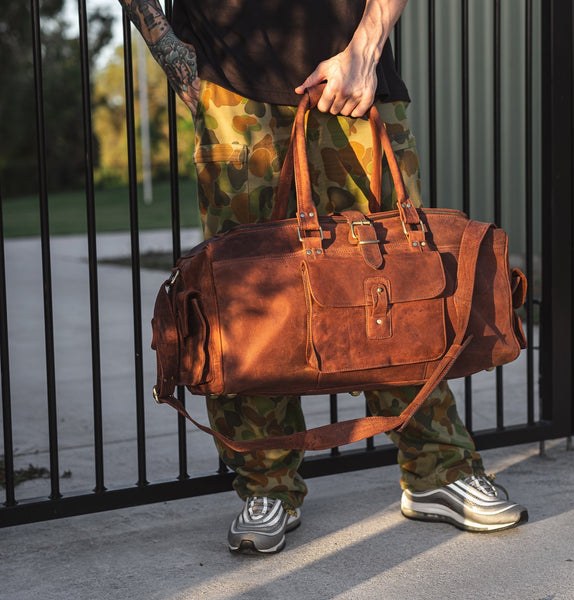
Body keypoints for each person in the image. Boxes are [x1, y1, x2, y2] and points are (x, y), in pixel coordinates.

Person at [119, 0, 528, 554]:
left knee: (399, 282)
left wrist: (367, 47)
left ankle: (438, 470)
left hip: (355, 72)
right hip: (230, 82)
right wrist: (176, 59)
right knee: (247, 305)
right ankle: (267, 489)